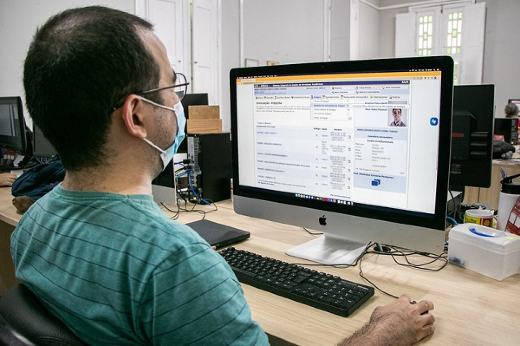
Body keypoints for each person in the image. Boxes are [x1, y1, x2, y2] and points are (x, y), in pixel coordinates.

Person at [11, 6, 435, 345]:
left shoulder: (32, 223)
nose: (178, 98)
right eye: (170, 87)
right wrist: (384, 334)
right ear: (137, 115)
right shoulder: (176, 264)